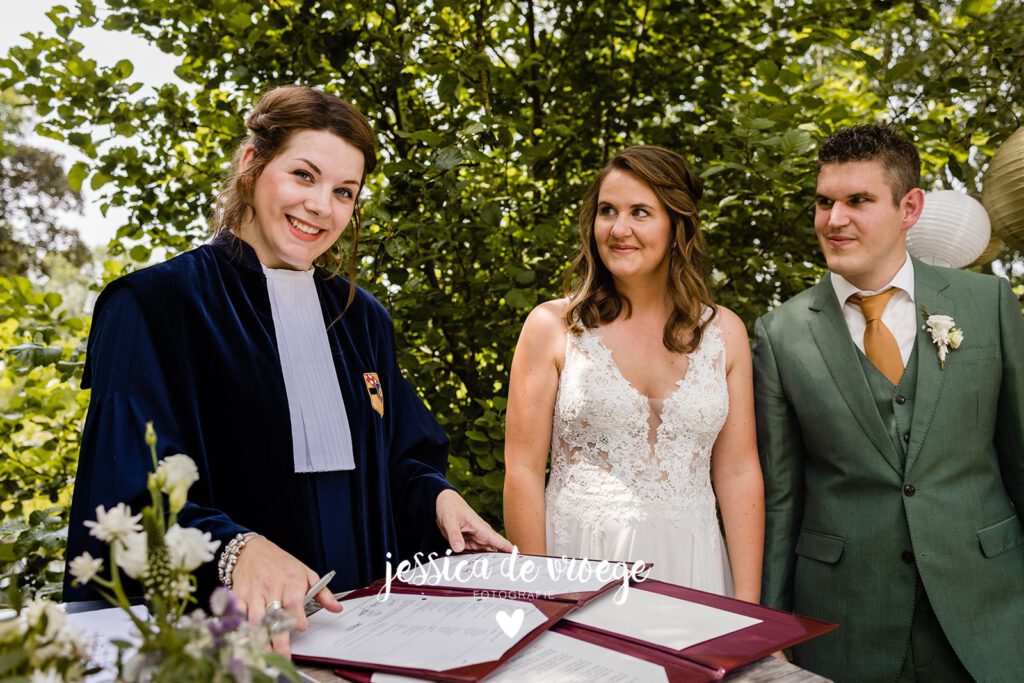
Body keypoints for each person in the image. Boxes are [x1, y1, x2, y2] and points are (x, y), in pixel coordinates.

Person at [64, 85, 511, 655]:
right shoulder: (153, 305)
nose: (322, 206)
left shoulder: (363, 318)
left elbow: (401, 458)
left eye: (344, 191)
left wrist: (439, 501)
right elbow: (124, 487)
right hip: (221, 635)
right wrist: (233, 547)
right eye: (304, 175)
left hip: (365, 621)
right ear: (252, 165)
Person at [754, 123, 1024, 681]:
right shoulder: (780, 334)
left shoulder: (987, 303)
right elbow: (782, 498)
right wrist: (770, 626)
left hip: (989, 610)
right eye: (824, 202)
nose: (834, 219)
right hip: (845, 619)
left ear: (910, 207)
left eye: (858, 201)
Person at [502, 145, 764, 601]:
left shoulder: (725, 333)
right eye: (608, 211)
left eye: (640, 212)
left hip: (694, 563)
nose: (619, 229)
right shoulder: (553, 327)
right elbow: (523, 470)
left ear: (676, 224)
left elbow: (739, 473)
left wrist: (748, 606)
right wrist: (538, 595)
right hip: (580, 562)